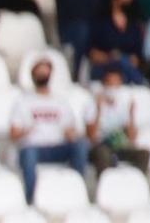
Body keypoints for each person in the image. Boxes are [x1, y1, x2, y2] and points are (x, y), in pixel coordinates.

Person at [10, 59, 90, 200]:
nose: (42, 73)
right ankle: (31, 199)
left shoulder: (60, 102)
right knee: (29, 153)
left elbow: (70, 129)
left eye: (45, 70)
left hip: (57, 147)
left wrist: (71, 134)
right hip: (34, 147)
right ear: (33, 75)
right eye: (39, 70)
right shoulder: (23, 102)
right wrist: (25, 132)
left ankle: (78, 190)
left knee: (81, 145)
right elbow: (14, 134)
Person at [90, 68, 150, 174]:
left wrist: (131, 115)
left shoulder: (122, 107)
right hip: (100, 146)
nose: (113, 87)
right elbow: (92, 136)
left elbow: (132, 138)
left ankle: (137, 183)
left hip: (118, 146)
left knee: (144, 154)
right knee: (103, 153)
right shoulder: (92, 106)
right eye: (110, 83)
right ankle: (106, 185)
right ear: (104, 84)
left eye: (116, 83)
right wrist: (99, 111)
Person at [87, 0, 146, 83]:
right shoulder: (101, 23)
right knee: (119, 61)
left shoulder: (134, 27)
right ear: (114, 0)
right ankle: (141, 83)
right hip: (104, 67)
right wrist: (110, 57)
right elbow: (92, 53)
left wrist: (126, 59)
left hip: (127, 70)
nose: (126, 2)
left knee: (124, 62)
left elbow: (137, 57)